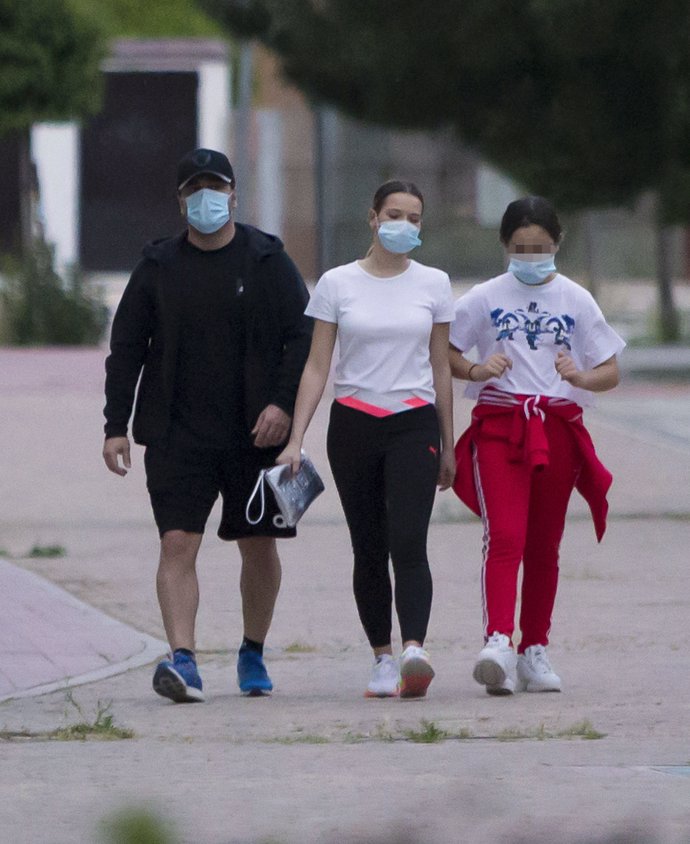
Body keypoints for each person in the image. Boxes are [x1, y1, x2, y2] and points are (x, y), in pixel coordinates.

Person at [102, 148, 312, 703]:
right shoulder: (157, 266)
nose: (206, 200)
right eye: (195, 190)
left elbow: (302, 337)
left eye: (215, 188)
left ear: (234, 195)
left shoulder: (267, 259)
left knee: (260, 546)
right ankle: (184, 660)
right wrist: (114, 424)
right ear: (180, 202)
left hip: (257, 436)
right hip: (176, 433)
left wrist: (283, 406)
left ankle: (252, 653)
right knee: (176, 544)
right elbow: (126, 347)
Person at [277, 180, 455, 699]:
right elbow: (317, 366)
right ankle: (381, 657)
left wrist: (448, 442)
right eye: (394, 214)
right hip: (354, 423)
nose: (403, 224)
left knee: (409, 539)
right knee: (369, 545)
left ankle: (414, 649)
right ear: (373, 218)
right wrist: (295, 438)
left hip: (413, 420)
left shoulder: (434, 283)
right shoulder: (337, 283)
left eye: (414, 218)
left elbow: (441, 367)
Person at [449, 195, 625, 696]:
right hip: (502, 426)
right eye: (521, 247)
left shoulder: (576, 299)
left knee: (544, 545)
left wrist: (581, 377)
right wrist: (478, 370)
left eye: (541, 247)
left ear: (558, 244)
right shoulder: (483, 297)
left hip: (556, 430)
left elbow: (611, 369)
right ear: (505, 245)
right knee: (505, 535)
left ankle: (534, 649)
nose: (531, 256)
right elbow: (447, 350)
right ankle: (498, 641)